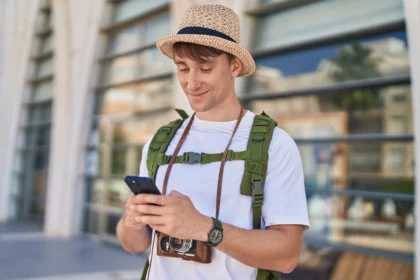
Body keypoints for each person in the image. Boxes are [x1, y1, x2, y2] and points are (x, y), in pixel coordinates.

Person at [116, 4, 310, 280]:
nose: (191, 83)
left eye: (205, 68)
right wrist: (132, 221)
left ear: (235, 65)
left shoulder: (275, 145)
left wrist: (205, 228)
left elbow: (288, 256)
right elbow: (134, 244)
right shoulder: (161, 142)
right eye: (183, 68)